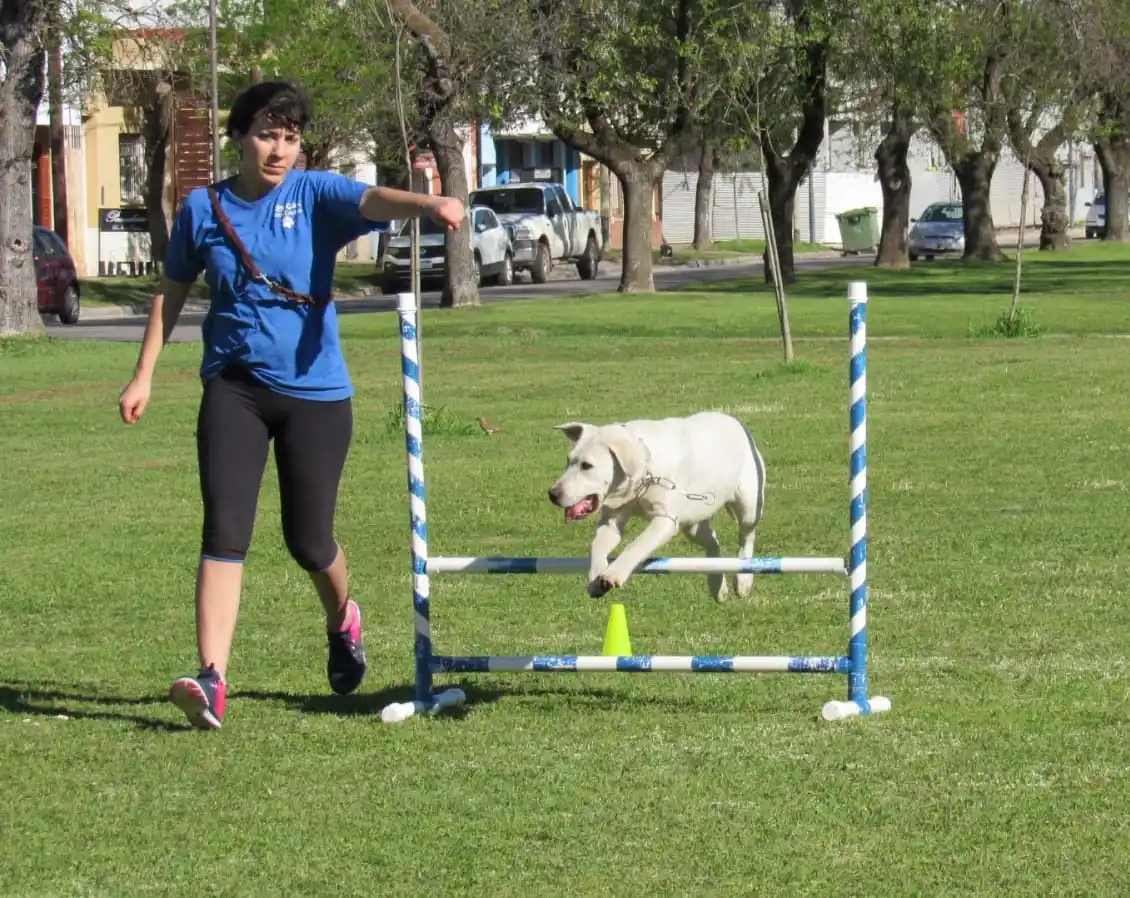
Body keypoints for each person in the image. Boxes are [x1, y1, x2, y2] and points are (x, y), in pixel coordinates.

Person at [118, 81, 465, 730]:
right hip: (234, 389)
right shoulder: (204, 208)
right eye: (266, 135)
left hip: (316, 396)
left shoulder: (314, 194)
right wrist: (143, 376)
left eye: (290, 137)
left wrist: (430, 202)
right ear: (240, 137)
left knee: (308, 542)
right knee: (224, 529)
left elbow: (371, 198)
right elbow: (170, 293)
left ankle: (342, 619)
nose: (279, 149)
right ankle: (212, 677)